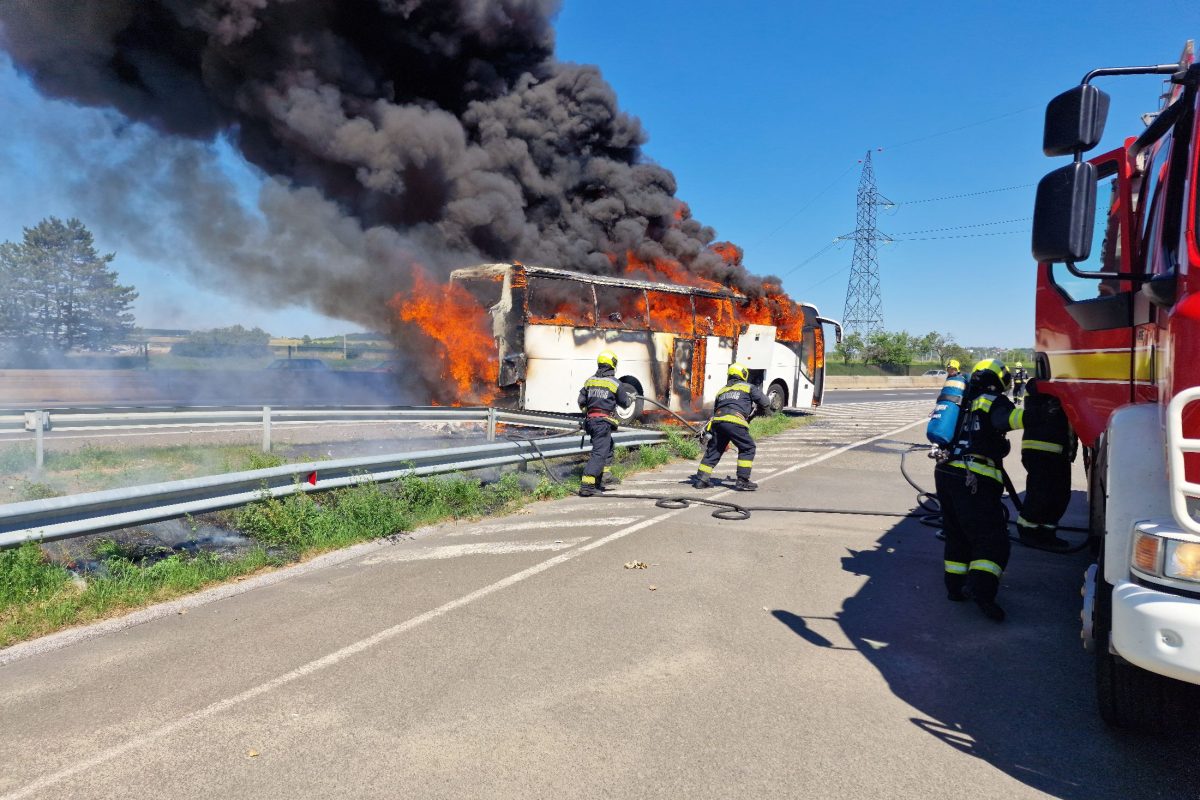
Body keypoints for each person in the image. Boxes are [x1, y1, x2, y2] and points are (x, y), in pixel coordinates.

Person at [934, 358, 1024, 622]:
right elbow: (1008, 419)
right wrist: (1040, 413)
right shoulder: (991, 400)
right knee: (991, 539)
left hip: (946, 471)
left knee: (957, 533)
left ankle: (954, 588)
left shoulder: (960, 402)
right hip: (974, 477)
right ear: (999, 381)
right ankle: (982, 591)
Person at [1016, 379, 1075, 549]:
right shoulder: (1040, 384)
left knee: (1060, 495)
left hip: (1060, 451)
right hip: (1040, 449)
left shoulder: (1063, 385)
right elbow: (1032, 388)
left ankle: (1047, 533)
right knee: (1040, 494)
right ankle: (1028, 531)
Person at [693, 362, 770, 491]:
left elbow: (716, 409)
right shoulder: (748, 387)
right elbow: (766, 402)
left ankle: (701, 480)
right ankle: (742, 480)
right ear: (743, 374)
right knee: (748, 447)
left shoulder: (721, 391)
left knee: (714, 450)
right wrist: (762, 411)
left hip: (717, 423)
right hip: (735, 422)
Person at [577, 350, 635, 497]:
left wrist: (589, 414)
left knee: (608, 446)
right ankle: (587, 485)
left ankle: (605, 477)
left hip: (591, 422)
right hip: (602, 423)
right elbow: (625, 404)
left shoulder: (590, 381)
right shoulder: (615, 383)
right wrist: (631, 399)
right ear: (613, 365)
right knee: (599, 453)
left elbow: (581, 402)